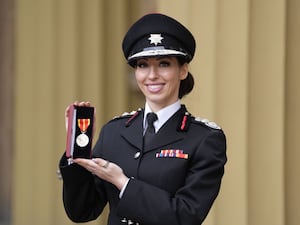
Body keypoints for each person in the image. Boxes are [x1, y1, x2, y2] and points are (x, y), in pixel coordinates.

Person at [58, 13, 227, 225]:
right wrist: (76, 150)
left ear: (183, 70)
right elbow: (82, 212)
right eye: (143, 65)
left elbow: (186, 216)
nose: (152, 75)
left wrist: (122, 182)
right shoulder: (114, 132)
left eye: (164, 64)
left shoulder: (204, 139)